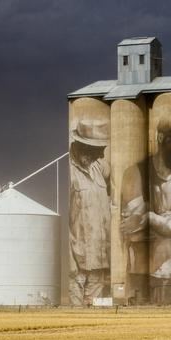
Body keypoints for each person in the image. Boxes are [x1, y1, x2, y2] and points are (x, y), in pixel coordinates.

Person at [120, 119, 171, 305]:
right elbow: (134, 230)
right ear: (160, 138)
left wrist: (150, 218)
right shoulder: (136, 174)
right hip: (142, 272)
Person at [68, 118, 111, 306]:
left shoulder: (98, 169)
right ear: (82, 145)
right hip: (76, 263)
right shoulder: (69, 172)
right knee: (75, 314)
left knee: (93, 312)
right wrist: (68, 260)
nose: (100, 155)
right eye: (97, 149)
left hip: (98, 261)